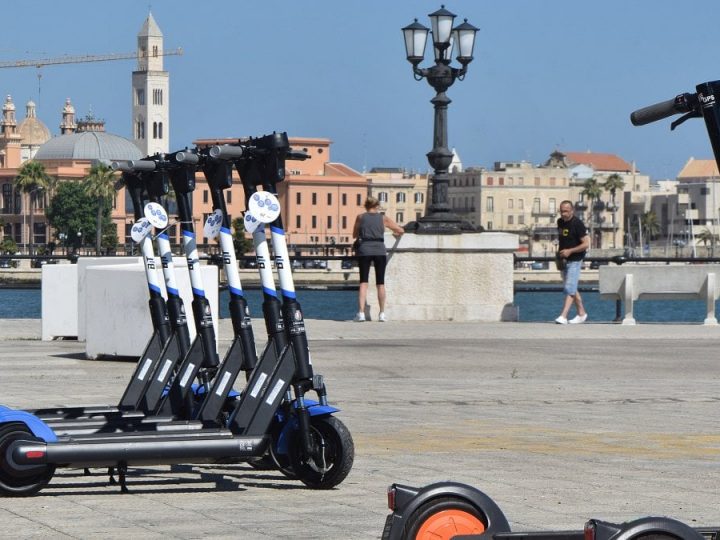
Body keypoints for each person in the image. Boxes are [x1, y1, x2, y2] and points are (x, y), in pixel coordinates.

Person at [352, 196, 404, 322]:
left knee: (363, 283)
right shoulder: (383, 218)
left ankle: (361, 313)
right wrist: (395, 234)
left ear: (366, 205)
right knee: (380, 284)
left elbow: (354, 234)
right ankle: (382, 314)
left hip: (364, 250)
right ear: (377, 206)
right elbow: (400, 230)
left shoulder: (360, 217)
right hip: (380, 250)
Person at [555, 200, 590, 324]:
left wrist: (570, 251)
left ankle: (563, 316)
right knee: (572, 287)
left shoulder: (577, 224)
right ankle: (582, 313)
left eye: (566, 211)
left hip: (575, 259)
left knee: (570, 288)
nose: (563, 214)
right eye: (561, 211)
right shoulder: (559, 222)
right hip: (564, 260)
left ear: (572, 211)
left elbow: (586, 244)